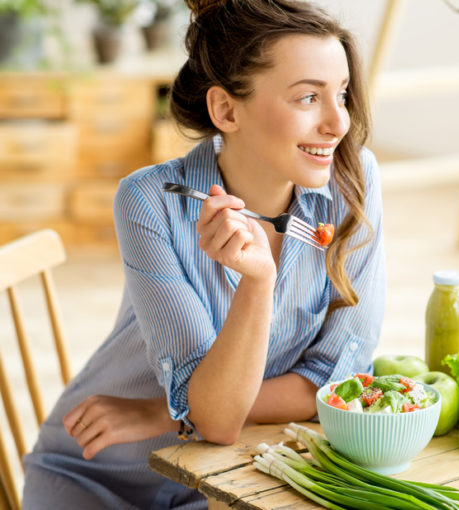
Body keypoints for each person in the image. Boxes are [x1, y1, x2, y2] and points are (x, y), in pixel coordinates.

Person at [22, 0, 386, 508]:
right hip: (98, 473)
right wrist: (258, 283)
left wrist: (167, 413)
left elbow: (334, 383)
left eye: (341, 95)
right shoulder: (151, 201)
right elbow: (216, 419)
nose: (337, 123)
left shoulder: (355, 181)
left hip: (227, 478)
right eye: (308, 98)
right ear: (226, 110)